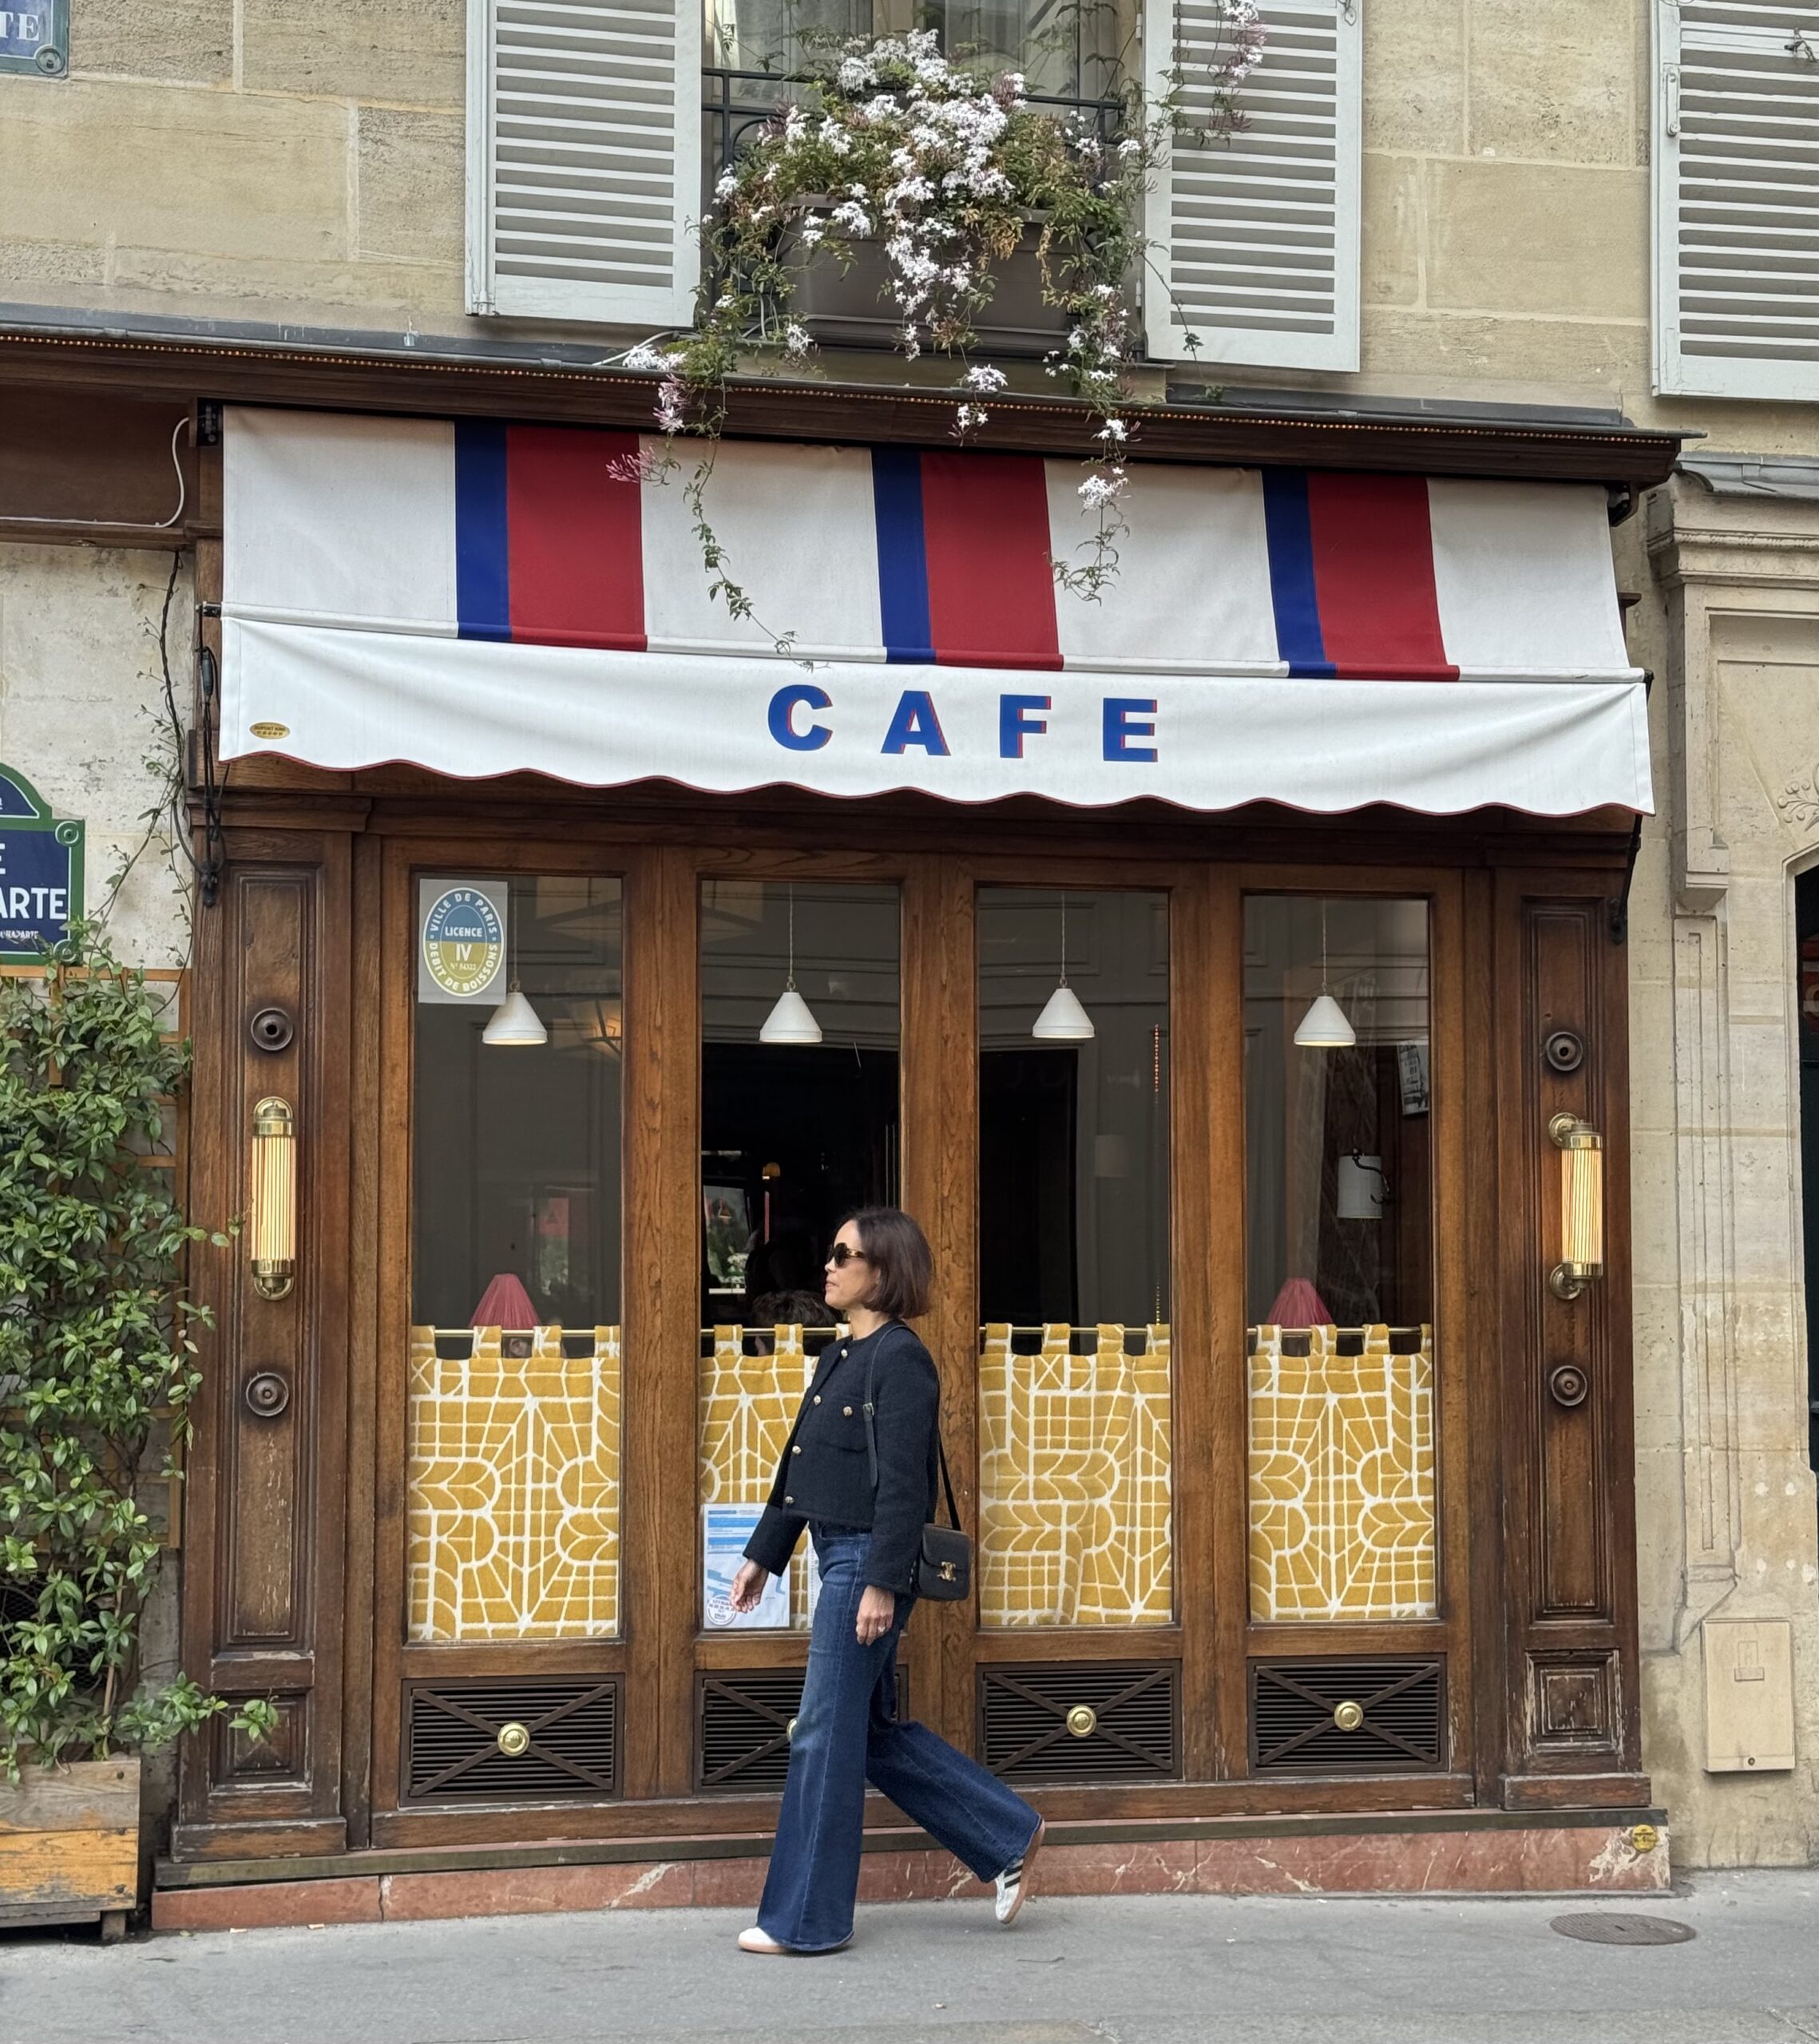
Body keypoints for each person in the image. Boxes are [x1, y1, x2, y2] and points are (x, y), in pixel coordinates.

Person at [728, 1207, 1045, 1955]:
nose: (829, 1266)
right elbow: (800, 1468)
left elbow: (905, 1486)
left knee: (819, 1734)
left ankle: (805, 1922)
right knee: (861, 1734)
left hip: (868, 1562)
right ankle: (1007, 1832)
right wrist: (761, 1555)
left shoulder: (903, 1359)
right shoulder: (841, 1356)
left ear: (884, 1272)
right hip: (836, 1552)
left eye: (845, 1255)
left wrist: (880, 1582)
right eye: (832, 1253)